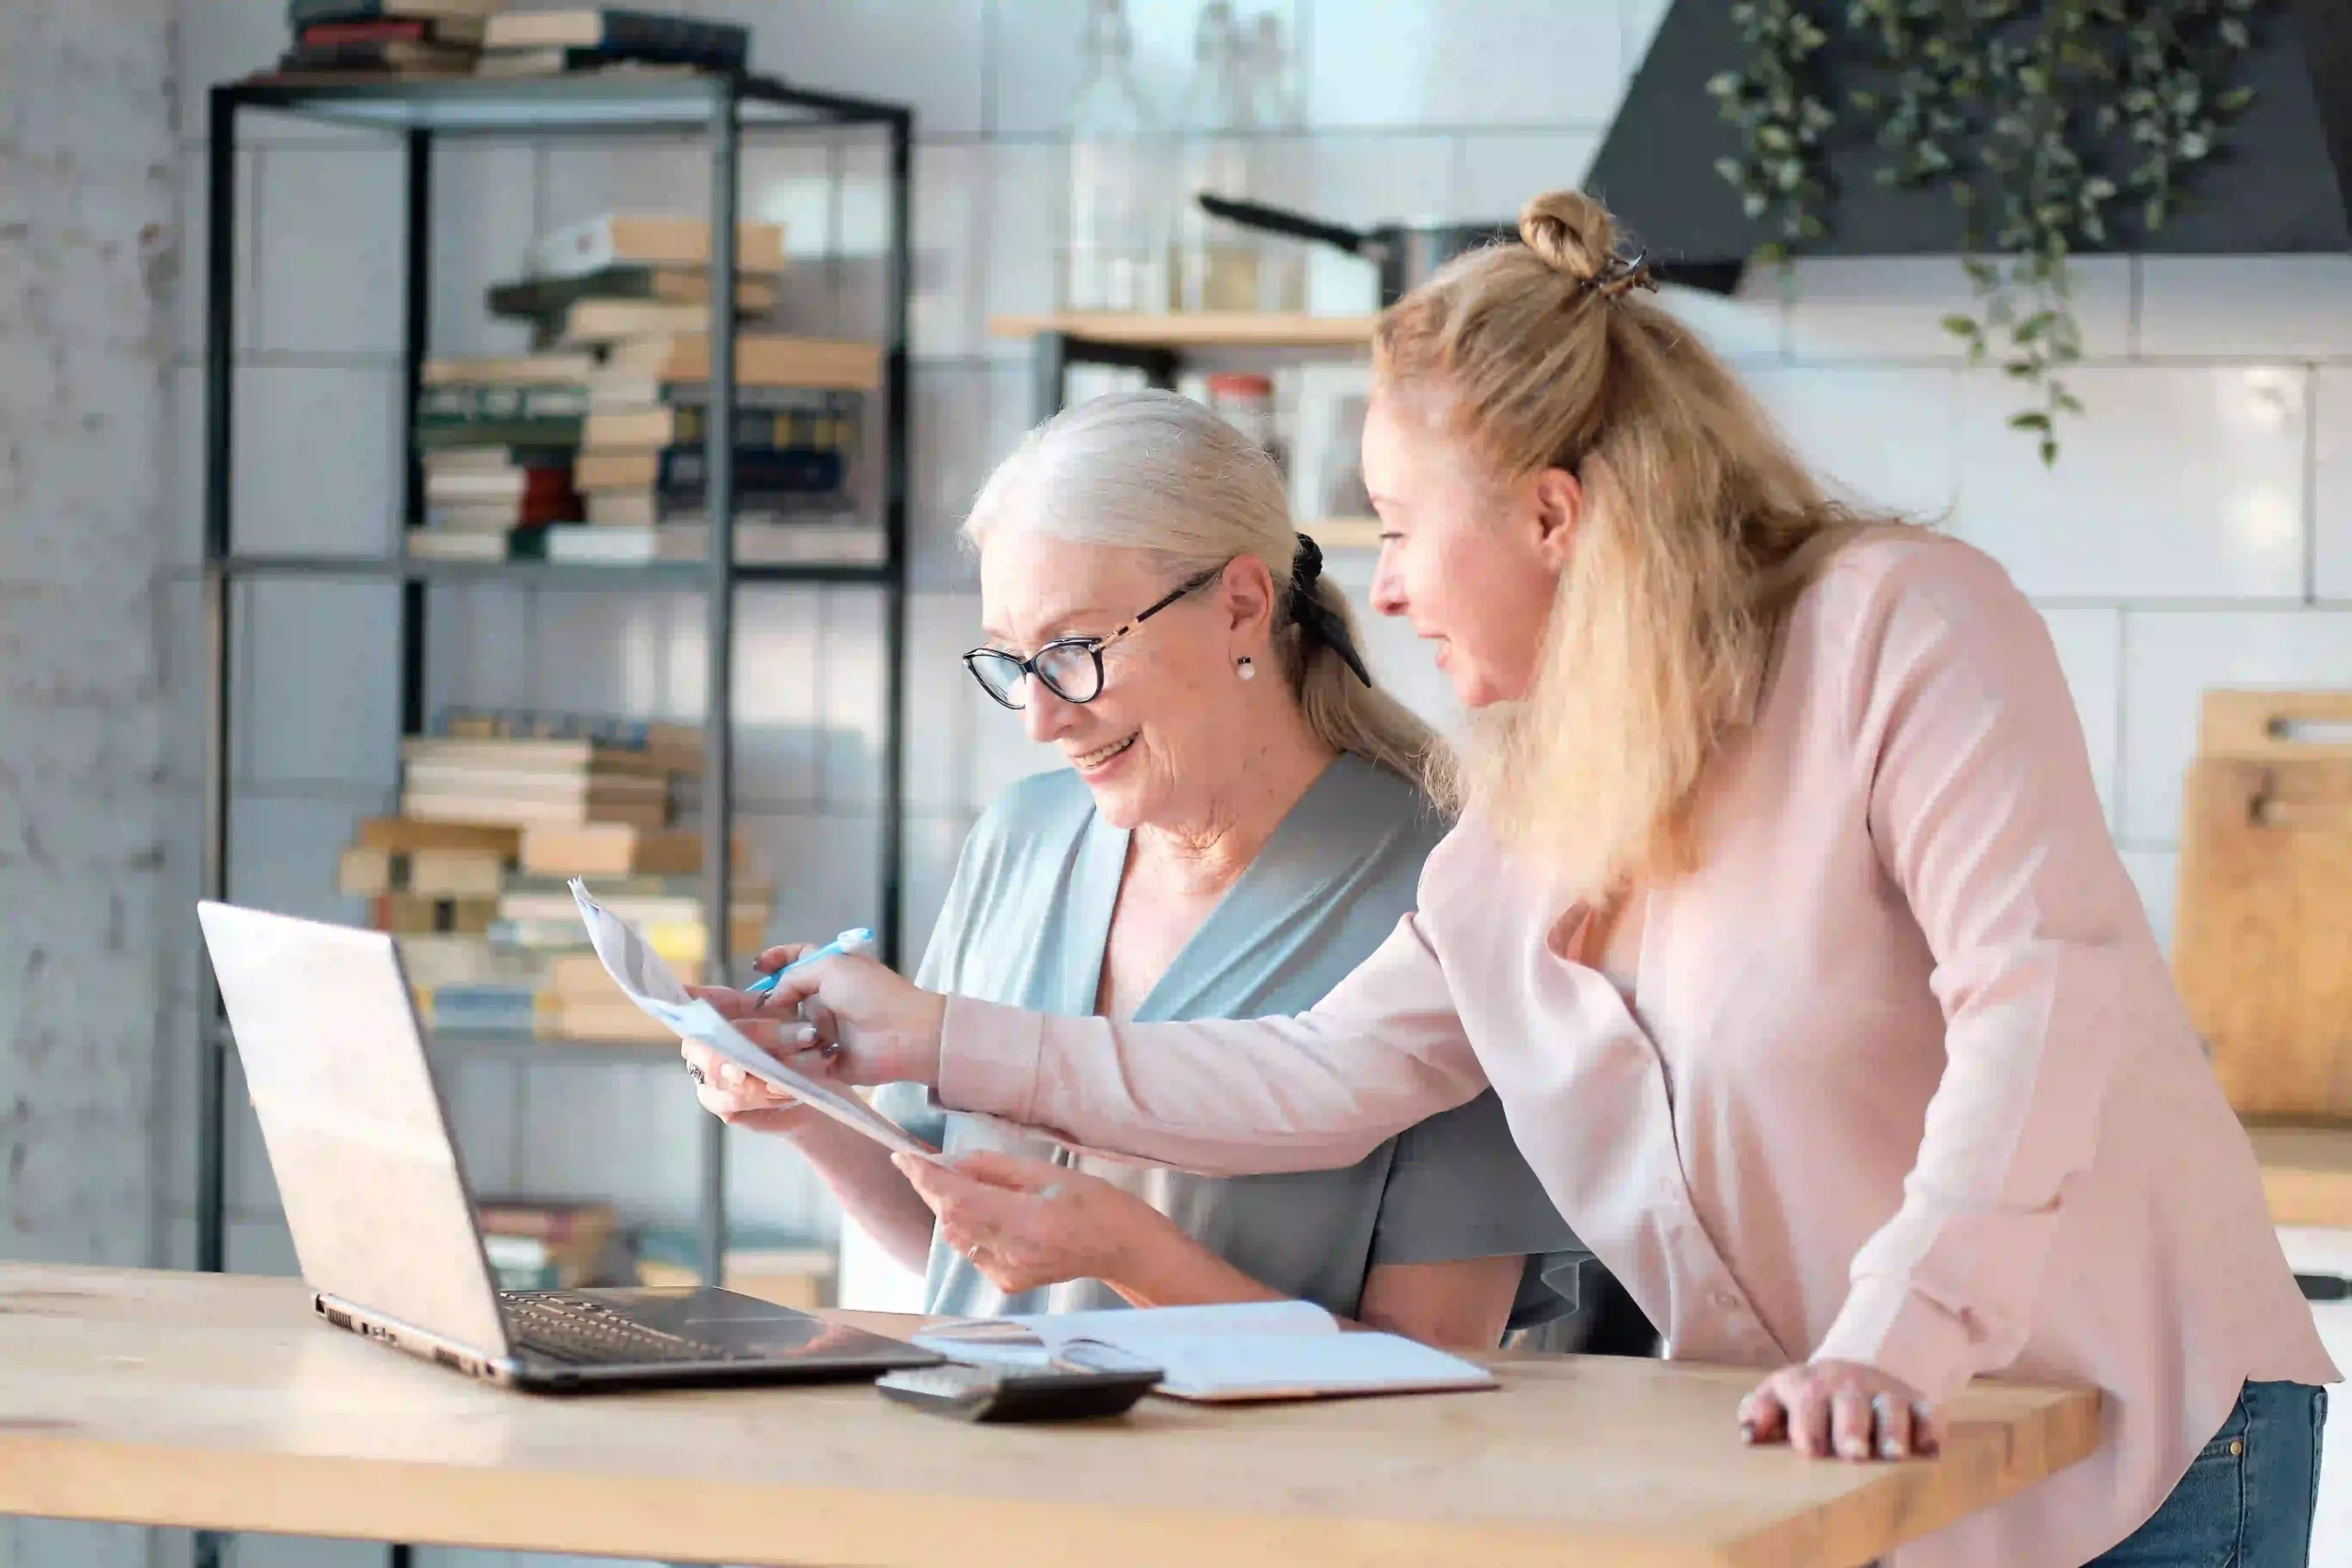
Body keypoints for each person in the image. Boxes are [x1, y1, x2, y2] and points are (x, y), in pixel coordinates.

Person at [737, 190, 2337, 1568]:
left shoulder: (1901, 630)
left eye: (1400, 524)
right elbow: (1310, 1074)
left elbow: (2039, 1008)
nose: (1382, 586)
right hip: (1839, 1473)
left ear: (1552, 517)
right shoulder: (1522, 826)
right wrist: (922, 1038)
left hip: (2140, 1440)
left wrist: (1895, 1339)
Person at [684, 389, 1583, 1346]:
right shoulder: (1020, 841)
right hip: (984, 1472)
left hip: (1269, 1494)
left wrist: (1134, 1259)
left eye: (1072, 650)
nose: (1040, 717)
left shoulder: (1448, 886)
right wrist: (812, 1112)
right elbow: (975, 1262)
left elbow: (1431, 1369)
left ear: (1240, 605)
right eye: (1011, 662)